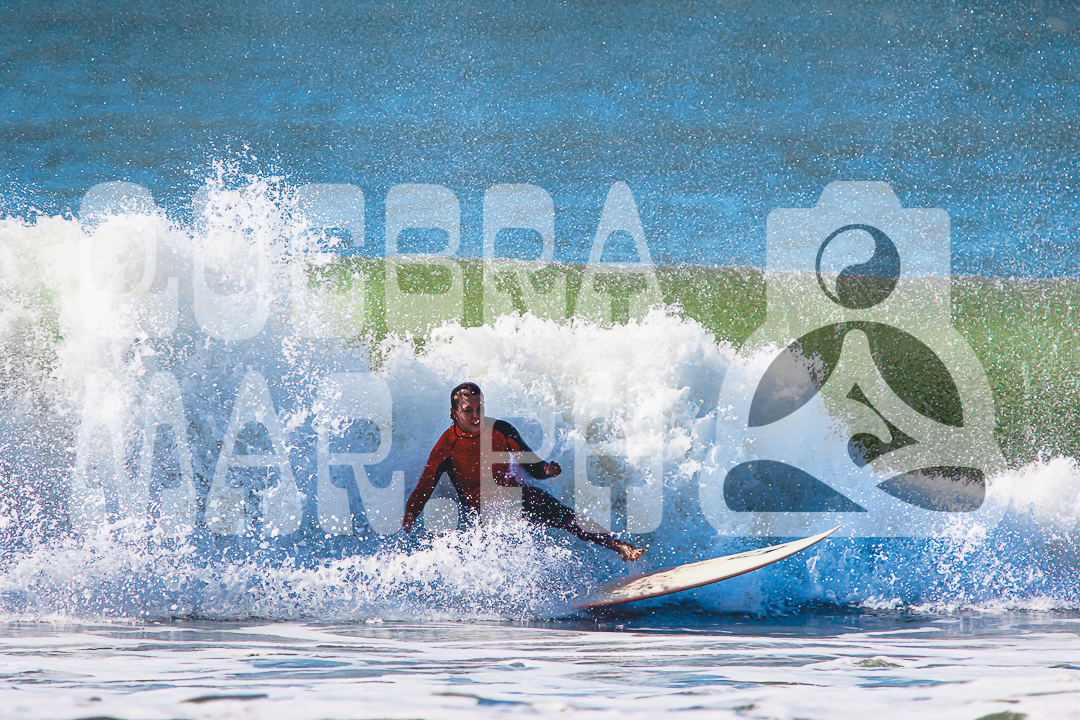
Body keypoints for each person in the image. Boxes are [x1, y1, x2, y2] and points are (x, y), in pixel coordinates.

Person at [402, 382, 646, 562]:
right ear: (454, 412)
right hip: (480, 512)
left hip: (516, 497)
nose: (476, 415)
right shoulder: (447, 446)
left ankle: (620, 546)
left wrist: (547, 471)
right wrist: (411, 513)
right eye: (468, 410)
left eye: (480, 408)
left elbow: (533, 467)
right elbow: (426, 484)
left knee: (566, 516)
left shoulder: (501, 430)